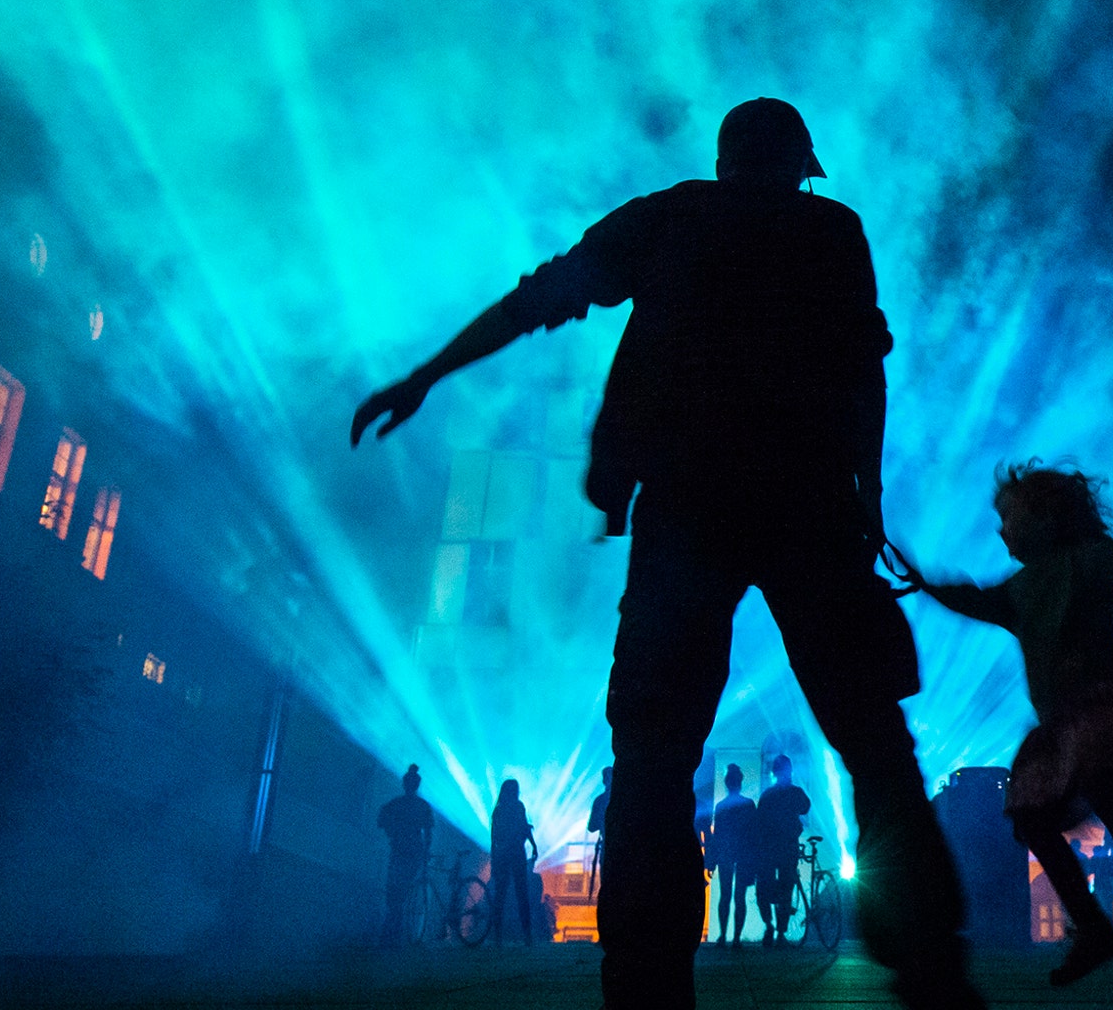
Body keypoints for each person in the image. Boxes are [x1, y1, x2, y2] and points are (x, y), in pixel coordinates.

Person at [351, 98, 979, 1009]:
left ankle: (645, 987)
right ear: (800, 164)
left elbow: (540, 298)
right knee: (874, 739)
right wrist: (866, 500)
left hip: (689, 500)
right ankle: (929, 965)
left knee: (651, 753)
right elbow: (862, 368)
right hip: (808, 505)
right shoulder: (832, 228)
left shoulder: (672, 216)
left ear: (726, 159)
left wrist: (425, 377)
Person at [910, 463, 1113, 985]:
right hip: (1065, 721)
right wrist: (926, 584)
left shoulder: (1080, 562)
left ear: (1046, 518)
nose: (1003, 529)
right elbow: (976, 598)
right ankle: (1109, 918)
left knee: (1097, 790)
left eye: (1010, 517)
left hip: (1095, 708)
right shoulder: (1022, 587)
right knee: (1038, 815)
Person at [753, 755, 811, 943]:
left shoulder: (767, 795)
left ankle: (769, 926)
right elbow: (805, 807)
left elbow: (759, 822)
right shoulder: (795, 792)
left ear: (774, 772)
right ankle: (781, 932)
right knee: (787, 887)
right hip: (788, 847)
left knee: (764, 887)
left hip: (768, 848)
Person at [376, 763, 435, 945]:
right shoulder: (421, 806)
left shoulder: (397, 804)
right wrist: (425, 852)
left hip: (402, 851)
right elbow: (428, 833)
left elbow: (381, 821)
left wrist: (392, 832)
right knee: (401, 892)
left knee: (396, 892)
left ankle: (392, 933)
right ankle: (394, 933)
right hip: (411, 852)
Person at [709, 764, 757, 945]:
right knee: (740, 896)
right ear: (740, 783)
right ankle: (736, 937)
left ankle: (722, 935)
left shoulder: (721, 806)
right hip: (744, 856)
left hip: (726, 855)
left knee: (725, 895)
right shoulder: (748, 805)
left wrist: (711, 860)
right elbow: (754, 834)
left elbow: (717, 835)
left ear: (727, 783)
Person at [489, 778, 539, 946]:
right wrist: (533, 844)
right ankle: (527, 935)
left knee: (501, 894)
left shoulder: (499, 810)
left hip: (503, 853)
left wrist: (494, 858)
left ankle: (497, 936)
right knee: (521, 894)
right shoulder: (518, 806)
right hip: (516, 853)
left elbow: (494, 837)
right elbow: (524, 827)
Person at [587, 765, 612, 895]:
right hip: (625, 849)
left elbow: (591, 827)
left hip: (607, 848)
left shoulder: (600, 800)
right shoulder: (627, 799)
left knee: (607, 887)